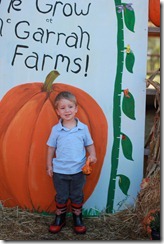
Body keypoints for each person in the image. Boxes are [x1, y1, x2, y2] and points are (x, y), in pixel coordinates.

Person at [46, 91, 97, 234]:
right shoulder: (56, 130)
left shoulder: (83, 128)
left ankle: (77, 218)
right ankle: (60, 218)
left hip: (78, 171)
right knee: (61, 195)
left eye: (70, 107)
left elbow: (89, 144)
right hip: (59, 171)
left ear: (76, 109)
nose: (67, 110)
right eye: (62, 108)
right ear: (57, 111)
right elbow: (51, 148)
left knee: (77, 195)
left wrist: (93, 154)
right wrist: (49, 165)